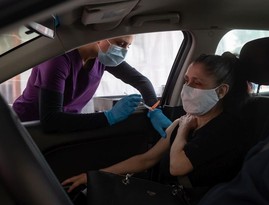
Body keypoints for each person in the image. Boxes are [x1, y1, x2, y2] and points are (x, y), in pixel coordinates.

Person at [62, 52, 251, 205]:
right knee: (89, 198)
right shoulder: (186, 120)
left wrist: (183, 130)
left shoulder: (226, 128)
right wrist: (95, 176)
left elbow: (177, 166)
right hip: (171, 197)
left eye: (197, 83)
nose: (187, 88)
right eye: (186, 80)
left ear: (221, 91)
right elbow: (147, 159)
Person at [12, 35, 171, 137]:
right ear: (100, 37)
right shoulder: (59, 60)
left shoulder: (103, 58)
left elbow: (141, 81)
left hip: (62, 126)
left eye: (127, 46)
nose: (122, 51)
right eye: (120, 43)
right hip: (26, 128)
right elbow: (50, 120)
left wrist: (154, 108)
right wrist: (109, 117)